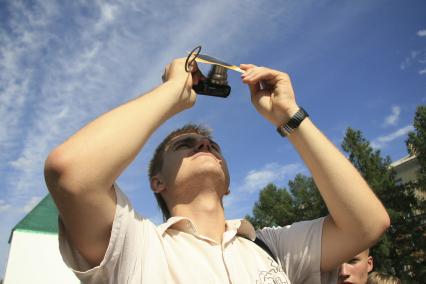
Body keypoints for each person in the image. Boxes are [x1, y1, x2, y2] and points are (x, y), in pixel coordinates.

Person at [44, 57, 390, 283]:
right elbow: (71, 173)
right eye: (185, 145)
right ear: (157, 182)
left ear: (228, 185)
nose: (204, 145)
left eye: (212, 146)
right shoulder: (136, 247)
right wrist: (172, 93)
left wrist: (290, 116)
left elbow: (367, 225)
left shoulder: (272, 247)